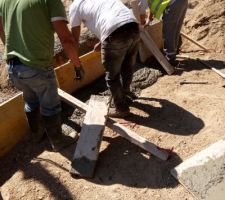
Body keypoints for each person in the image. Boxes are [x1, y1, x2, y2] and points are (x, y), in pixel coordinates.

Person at [0, 0, 84, 151]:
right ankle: (58, 141)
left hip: (13, 67)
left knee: (30, 100)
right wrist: (77, 65)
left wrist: (11, 48)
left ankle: (37, 134)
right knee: (50, 105)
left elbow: (1, 28)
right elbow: (65, 38)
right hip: (37, 65)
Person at [69, 0, 140, 118]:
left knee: (112, 76)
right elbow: (111, 15)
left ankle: (121, 108)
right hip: (133, 26)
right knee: (127, 65)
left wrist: (74, 58)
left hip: (114, 32)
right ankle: (125, 94)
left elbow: (74, 40)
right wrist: (103, 41)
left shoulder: (75, 6)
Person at [139, 0, 188, 66]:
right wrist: (149, 18)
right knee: (175, 30)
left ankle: (170, 60)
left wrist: (142, 23)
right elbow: (152, 4)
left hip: (173, 3)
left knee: (169, 32)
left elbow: (141, 11)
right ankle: (173, 54)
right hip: (181, 2)